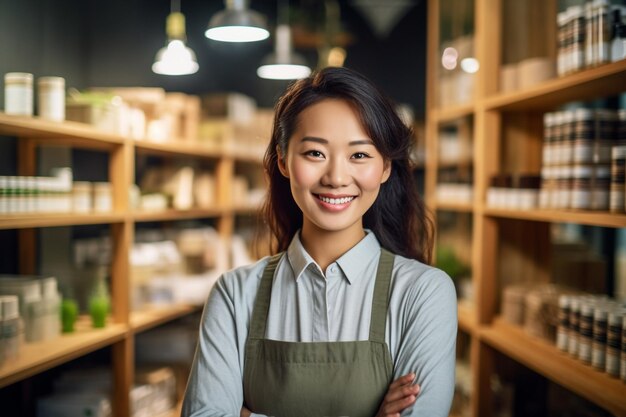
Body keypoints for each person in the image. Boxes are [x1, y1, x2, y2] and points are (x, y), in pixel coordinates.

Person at [182, 67, 457, 417]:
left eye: (359, 155)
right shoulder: (235, 295)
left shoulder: (424, 293)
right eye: (315, 153)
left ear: (386, 167)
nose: (336, 177)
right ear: (283, 160)